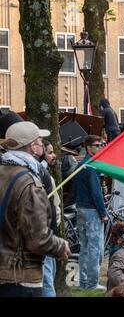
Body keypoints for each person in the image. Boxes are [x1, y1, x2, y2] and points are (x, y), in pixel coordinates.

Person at [0, 122, 70, 297]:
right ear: (33, 147)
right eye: (40, 141)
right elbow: (38, 239)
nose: (41, 145)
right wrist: (61, 246)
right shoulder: (30, 184)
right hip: (21, 276)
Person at [74, 135, 109, 290]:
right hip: (91, 211)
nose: (100, 147)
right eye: (97, 145)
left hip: (80, 208)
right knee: (95, 248)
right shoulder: (92, 167)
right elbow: (96, 193)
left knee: (85, 248)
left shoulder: (81, 165)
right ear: (88, 147)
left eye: (101, 144)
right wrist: (103, 213)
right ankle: (92, 283)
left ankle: (83, 282)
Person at [41, 140, 63, 297]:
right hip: (45, 234)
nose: (54, 155)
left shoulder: (46, 174)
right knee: (47, 278)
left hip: (51, 233)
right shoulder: (41, 175)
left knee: (51, 272)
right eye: (49, 152)